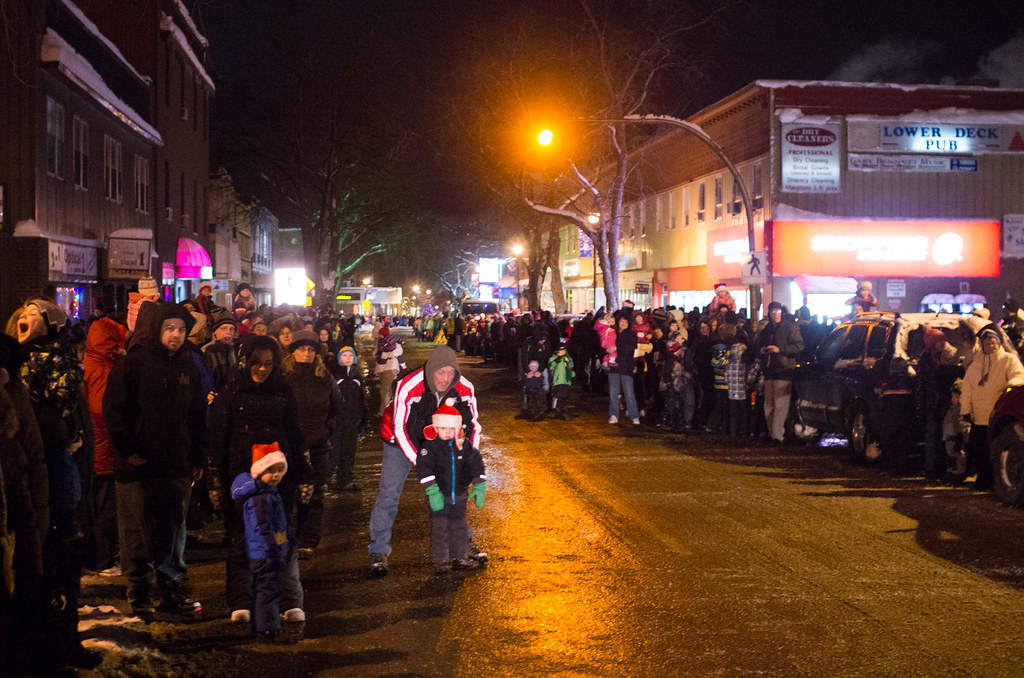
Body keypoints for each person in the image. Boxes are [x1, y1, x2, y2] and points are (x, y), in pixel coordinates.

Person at [102, 304, 206, 619]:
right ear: (158, 330)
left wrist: (198, 456)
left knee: (173, 532)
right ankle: (141, 595)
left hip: (175, 465)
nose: (175, 335)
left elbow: (198, 417)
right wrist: (129, 450)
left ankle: (172, 590)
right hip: (136, 468)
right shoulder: (131, 365)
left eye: (180, 329)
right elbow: (114, 412)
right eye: (169, 328)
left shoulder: (189, 368)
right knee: (137, 532)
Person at [207, 335, 313, 624]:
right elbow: (218, 437)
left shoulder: (283, 392)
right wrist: (214, 476)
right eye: (256, 363)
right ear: (245, 362)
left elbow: (296, 431)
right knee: (242, 537)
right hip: (241, 474)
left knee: (281, 536)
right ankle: (242, 600)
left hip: (280, 476)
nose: (262, 369)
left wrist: (305, 473)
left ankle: (287, 600)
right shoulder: (231, 393)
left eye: (268, 364)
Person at [368, 345, 482, 576]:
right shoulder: (409, 385)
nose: (445, 378)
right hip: (400, 441)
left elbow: (472, 426)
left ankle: (463, 543)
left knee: (453, 493)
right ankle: (378, 550)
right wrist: (423, 466)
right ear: (430, 370)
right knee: (389, 494)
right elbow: (400, 427)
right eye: (440, 373)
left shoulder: (464, 388)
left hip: (441, 441)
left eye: (451, 373)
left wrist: (464, 461)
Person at [230, 443, 299, 643]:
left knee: (263, 588)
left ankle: (262, 626)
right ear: (259, 471)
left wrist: (287, 539)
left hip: (264, 551)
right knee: (268, 589)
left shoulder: (268, 493)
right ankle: (266, 629)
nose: (276, 475)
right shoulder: (262, 497)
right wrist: (274, 549)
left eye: (279, 470)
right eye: (270, 470)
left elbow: (278, 526)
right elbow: (264, 527)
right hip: (265, 552)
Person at [281, 330, 341, 559]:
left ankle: (308, 539)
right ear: (293, 351)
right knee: (290, 494)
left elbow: (337, 408)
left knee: (315, 496)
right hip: (290, 448)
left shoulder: (325, 378)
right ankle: (288, 537)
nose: (306, 354)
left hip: (318, 447)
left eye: (310, 350)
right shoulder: (283, 377)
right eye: (302, 349)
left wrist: (328, 429)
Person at [416, 404, 486, 574]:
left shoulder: (464, 445)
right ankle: (440, 561)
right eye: (442, 428)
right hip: (440, 496)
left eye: (451, 428)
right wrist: (432, 490)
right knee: (439, 529)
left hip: (460, 496)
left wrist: (479, 483)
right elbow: (424, 468)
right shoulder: (430, 447)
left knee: (459, 528)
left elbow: (476, 462)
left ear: (457, 428)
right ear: (435, 428)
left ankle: (460, 557)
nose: (447, 431)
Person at [83, 317, 126, 576]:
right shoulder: (101, 367)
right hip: (105, 448)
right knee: (105, 508)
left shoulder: (98, 362)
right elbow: (101, 410)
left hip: (101, 447)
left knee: (104, 506)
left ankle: (102, 557)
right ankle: (103, 560)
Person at [960, 328, 1024, 489]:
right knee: (980, 451)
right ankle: (983, 480)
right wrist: (966, 410)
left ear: (999, 342)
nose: (990, 344)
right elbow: (967, 389)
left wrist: (1012, 384)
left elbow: (1019, 375)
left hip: (997, 415)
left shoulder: (1008, 360)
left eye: (993, 341)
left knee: (995, 449)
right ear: (982, 344)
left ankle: (997, 481)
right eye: (987, 342)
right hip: (979, 416)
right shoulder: (976, 364)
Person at [754, 302, 803, 444]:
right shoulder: (767, 330)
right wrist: (762, 350)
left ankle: (777, 435)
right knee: (769, 405)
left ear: (781, 312)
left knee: (780, 405)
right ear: (769, 313)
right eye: (773, 311)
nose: (775, 313)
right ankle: (773, 433)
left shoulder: (789, 328)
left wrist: (780, 349)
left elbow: (799, 346)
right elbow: (757, 348)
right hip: (769, 371)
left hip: (784, 370)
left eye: (778, 311)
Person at [330, 346, 366, 492]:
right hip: (338, 420)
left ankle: (345, 480)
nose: (348, 358)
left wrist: (362, 420)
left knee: (349, 450)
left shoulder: (357, 376)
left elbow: (362, 400)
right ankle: (324, 479)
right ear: (339, 359)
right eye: (344, 356)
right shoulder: (335, 375)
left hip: (352, 419)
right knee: (333, 451)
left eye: (350, 356)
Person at [608, 314, 640, 425]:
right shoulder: (613, 332)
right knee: (613, 392)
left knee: (629, 392)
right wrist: (607, 349)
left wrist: (617, 347)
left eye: (625, 322)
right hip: (614, 366)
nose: (623, 324)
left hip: (626, 366)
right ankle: (613, 414)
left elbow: (630, 349)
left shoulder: (631, 334)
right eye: (621, 321)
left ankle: (634, 415)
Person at [374, 327, 406, 416]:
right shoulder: (384, 342)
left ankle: (385, 413)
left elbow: (398, 353)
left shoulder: (389, 343)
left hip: (389, 368)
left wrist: (385, 355)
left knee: (386, 391)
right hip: (387, 368)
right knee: (386, 390)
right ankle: (389, 411)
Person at [548, 341, 575, 419]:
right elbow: (551, 366)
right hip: (558, 380)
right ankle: (555, 408)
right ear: (557, 351)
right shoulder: (555, 358)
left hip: (566, 380)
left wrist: (571, 374)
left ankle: (561, 407)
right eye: (561, 350)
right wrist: (555, 361)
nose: (562, 352)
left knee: (564, 394)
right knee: (558, 394)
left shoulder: (568, 358)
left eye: (564, 350)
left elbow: (571, 366)